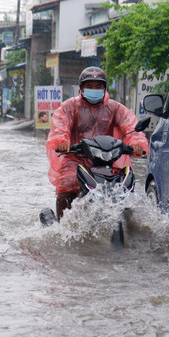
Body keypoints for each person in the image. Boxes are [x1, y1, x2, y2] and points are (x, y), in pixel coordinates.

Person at [46, 66, 149, 221]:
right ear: (81, 88)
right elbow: (60, 124)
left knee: (125, 187)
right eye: (89, 86)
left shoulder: (114, 107)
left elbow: (130, 126)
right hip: (76, 157)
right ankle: (62, 225)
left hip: (107, 158)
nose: (94, 89)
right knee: (68, 182)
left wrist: (137, 143)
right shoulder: (69, 106)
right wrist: (62, 142)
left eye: (98, 86)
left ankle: (130, 222)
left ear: (104, 88)